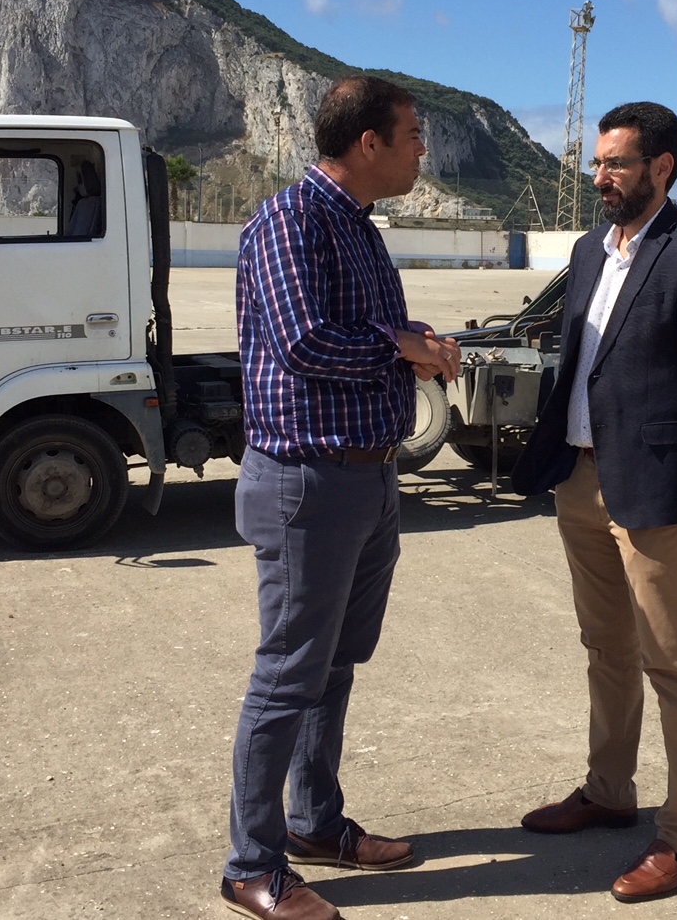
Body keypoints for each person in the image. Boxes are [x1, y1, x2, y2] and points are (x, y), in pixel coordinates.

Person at [220, 75, 461, 920]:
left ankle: (315, 824)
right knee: (288, 675)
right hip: (306, 486)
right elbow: (303, 342)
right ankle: (251, 863)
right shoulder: (292, 220)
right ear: (368, 143)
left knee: (334, 667)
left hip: (365, 477)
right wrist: (403, 347)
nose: (421, 147)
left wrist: (418, 344)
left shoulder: (355, 227)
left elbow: (357, 333)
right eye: (412, 134)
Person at [512, 101, 677, 903]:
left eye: (616, 163)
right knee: (605, 647)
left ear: (663, 167)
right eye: (599, 164)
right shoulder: (589, 250)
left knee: (674, 665)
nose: (601, 178)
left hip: (653, 495)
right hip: (580, 478)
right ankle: (610, 792)